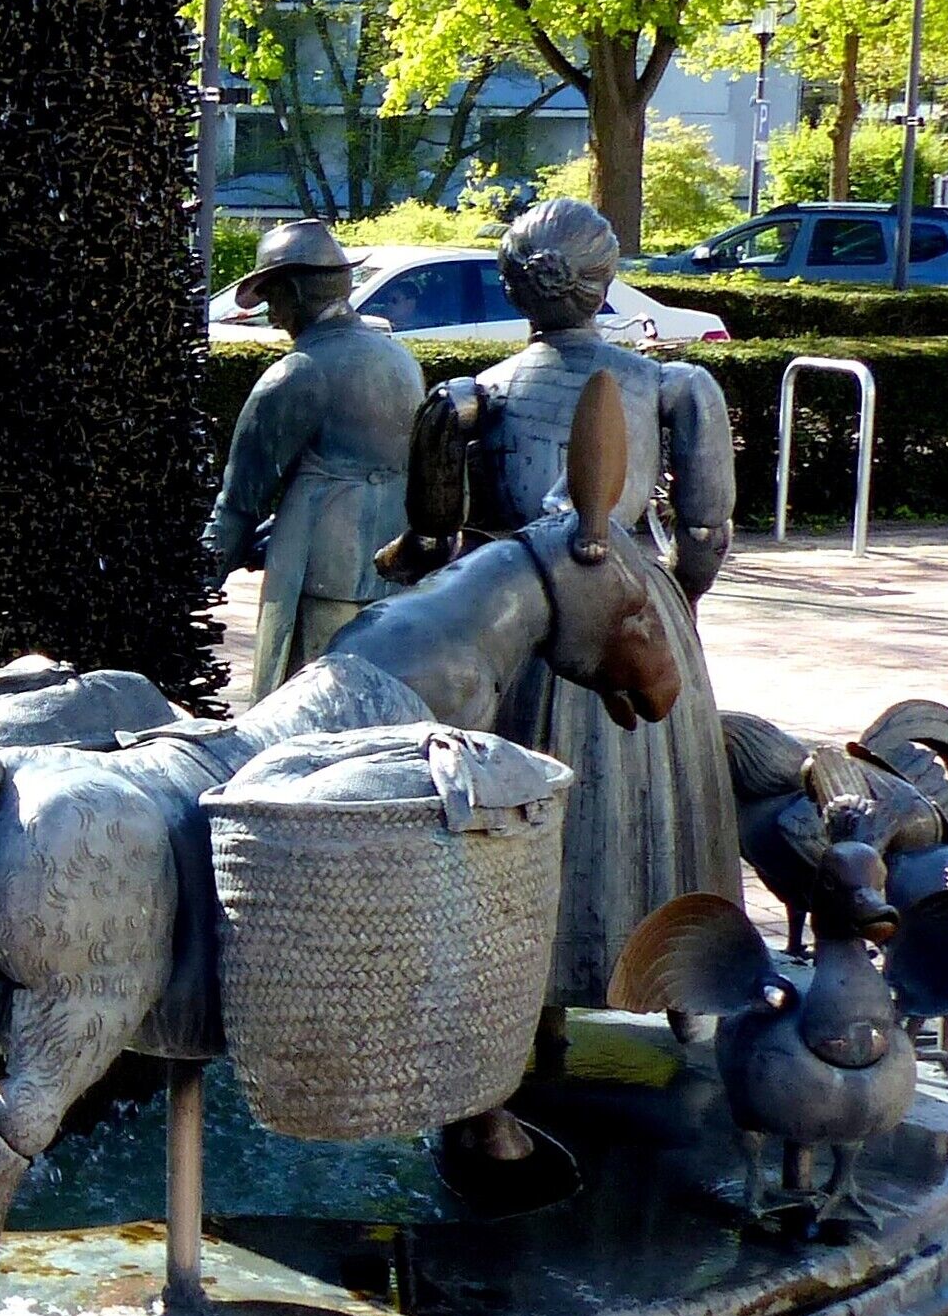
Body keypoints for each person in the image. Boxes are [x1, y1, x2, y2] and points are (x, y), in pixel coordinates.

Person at [409, 199, 743, 1005]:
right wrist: (679, 601)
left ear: (512, 288)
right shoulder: (668, 384)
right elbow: (706, 527)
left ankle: (514, 986)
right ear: (607, 285)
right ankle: (669, 979)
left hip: (512, 613)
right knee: (659, 805)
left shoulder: (470, 395)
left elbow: (434, 538)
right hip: (629, 604)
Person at [202, 219, 424, 695]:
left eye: (273, 299)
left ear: (298, 293)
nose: (272, 316)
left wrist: (200, 580)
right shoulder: (400, 360)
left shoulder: (296, 374)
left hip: (319, 578)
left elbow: (241, 500)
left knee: (303, 709)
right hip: (397, 575)